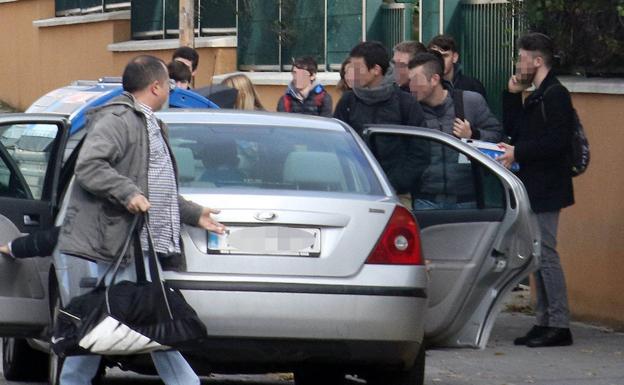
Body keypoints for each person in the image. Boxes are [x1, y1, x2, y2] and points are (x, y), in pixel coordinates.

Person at [55, 55, 226, 385]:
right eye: (170, 84)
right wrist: (127, 193)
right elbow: (90, 166)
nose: (173, 90)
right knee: (109, 320)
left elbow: (154, 188)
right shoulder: (118, 120)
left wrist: (192, 213)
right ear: (156, 86)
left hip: (136, 242)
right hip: (113, 243)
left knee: (133, 319)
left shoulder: (148, 121)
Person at [498, 32, 575, 348]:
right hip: (533, 184)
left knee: (546, 254)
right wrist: (513, 95)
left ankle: (559, 323)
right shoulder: (538, 95)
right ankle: (543, 321)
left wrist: (519, 154)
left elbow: (558, 142)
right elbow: (516, 132)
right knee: (536, 255)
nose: (518, 63)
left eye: (521, 57)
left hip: (549, 185)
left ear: (538, 60)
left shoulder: (556, 95)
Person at [407, 51, 503, 210]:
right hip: (425, 198)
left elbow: (497, 137)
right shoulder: (411, 109)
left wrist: (473, 135)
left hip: (466, 198)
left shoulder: (470, 101)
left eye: (416, 81)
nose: (411, 87)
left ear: (434, 79)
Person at [333, 41, 425, 196]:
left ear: (376, 70)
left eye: (358, 68)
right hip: (355, 191)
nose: (352, 74)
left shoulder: (405, 103)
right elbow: (337, 146)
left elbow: (419, 150)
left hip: (397, 193)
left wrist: (396, 184)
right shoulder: (347, 102)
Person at [428, 34, 487, 99]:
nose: (440, 60)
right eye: (436, 56)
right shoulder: (426, 88)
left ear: (454, 57)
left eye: (445, 56)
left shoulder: (473, 86)